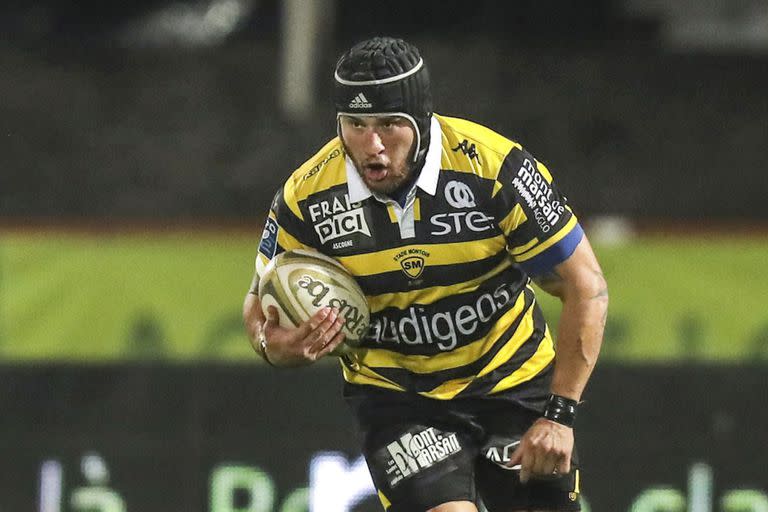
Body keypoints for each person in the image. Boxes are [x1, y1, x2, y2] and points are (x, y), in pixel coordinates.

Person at [243, 36, 608, 512]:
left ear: (421, 119)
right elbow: (259, 305)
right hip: (398, 399)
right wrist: (276, 346)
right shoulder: (306, 197)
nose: (371, 146)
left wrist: (560, 414)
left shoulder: (496, 170)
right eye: (356, 125)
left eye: (390, 124)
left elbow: (585, 286)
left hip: (514, 385)